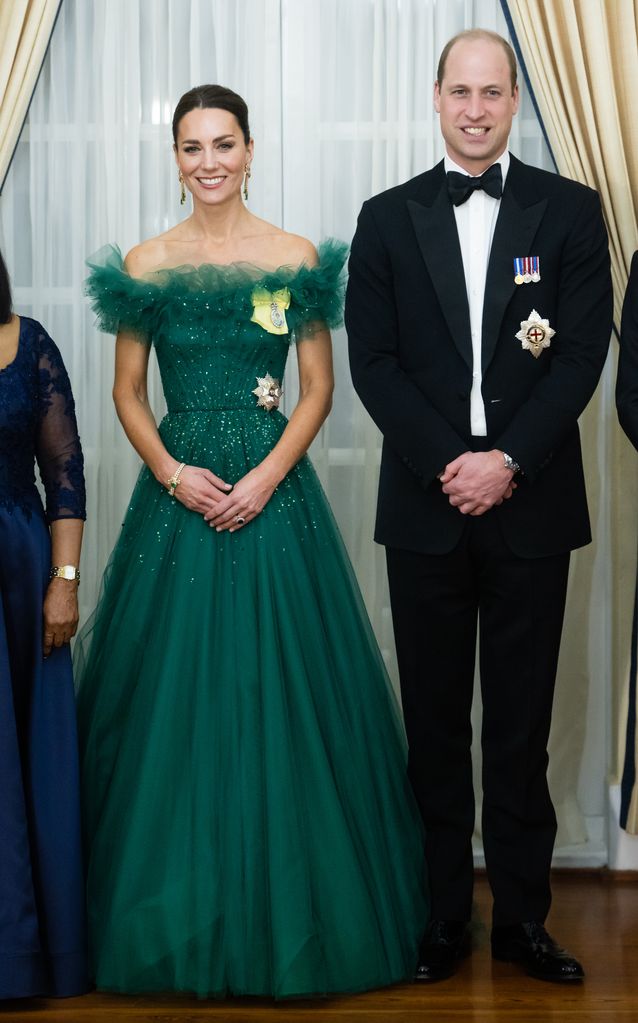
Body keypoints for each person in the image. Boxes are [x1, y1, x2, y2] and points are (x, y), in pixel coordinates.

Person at [74, 84, 427, 999]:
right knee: (172, 714)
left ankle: (290, 917)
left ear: (251, 148)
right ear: (177, 158)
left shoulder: (293, 256)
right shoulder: (147, 265)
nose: (209, 162)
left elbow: (316, 387)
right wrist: (170, 472)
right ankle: (180, 914)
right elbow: (125, 393)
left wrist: (267, 474)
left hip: (273, 499)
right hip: (182, 497)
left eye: (223, 144)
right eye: (192, 148)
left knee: (285, 705)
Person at [346, 29, 612, 984]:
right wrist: (452, 463)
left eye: (492, 92)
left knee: (521, 727)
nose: (475, 107)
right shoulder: (384, 218)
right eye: (459, 91)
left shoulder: (571, 213)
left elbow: (581, 356)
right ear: (435, 97)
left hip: (532, 505)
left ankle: (525, 923)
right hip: (425, 506)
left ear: (512, 103)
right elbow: (369, 363)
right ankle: (441, 918)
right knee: (433, 727)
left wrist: (504, 461)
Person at [0, 250, 88, 998]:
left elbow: (65, 472)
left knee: (30, 754)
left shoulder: (28, 342)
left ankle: (29, 955)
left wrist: (63, 580)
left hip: (19, 569)